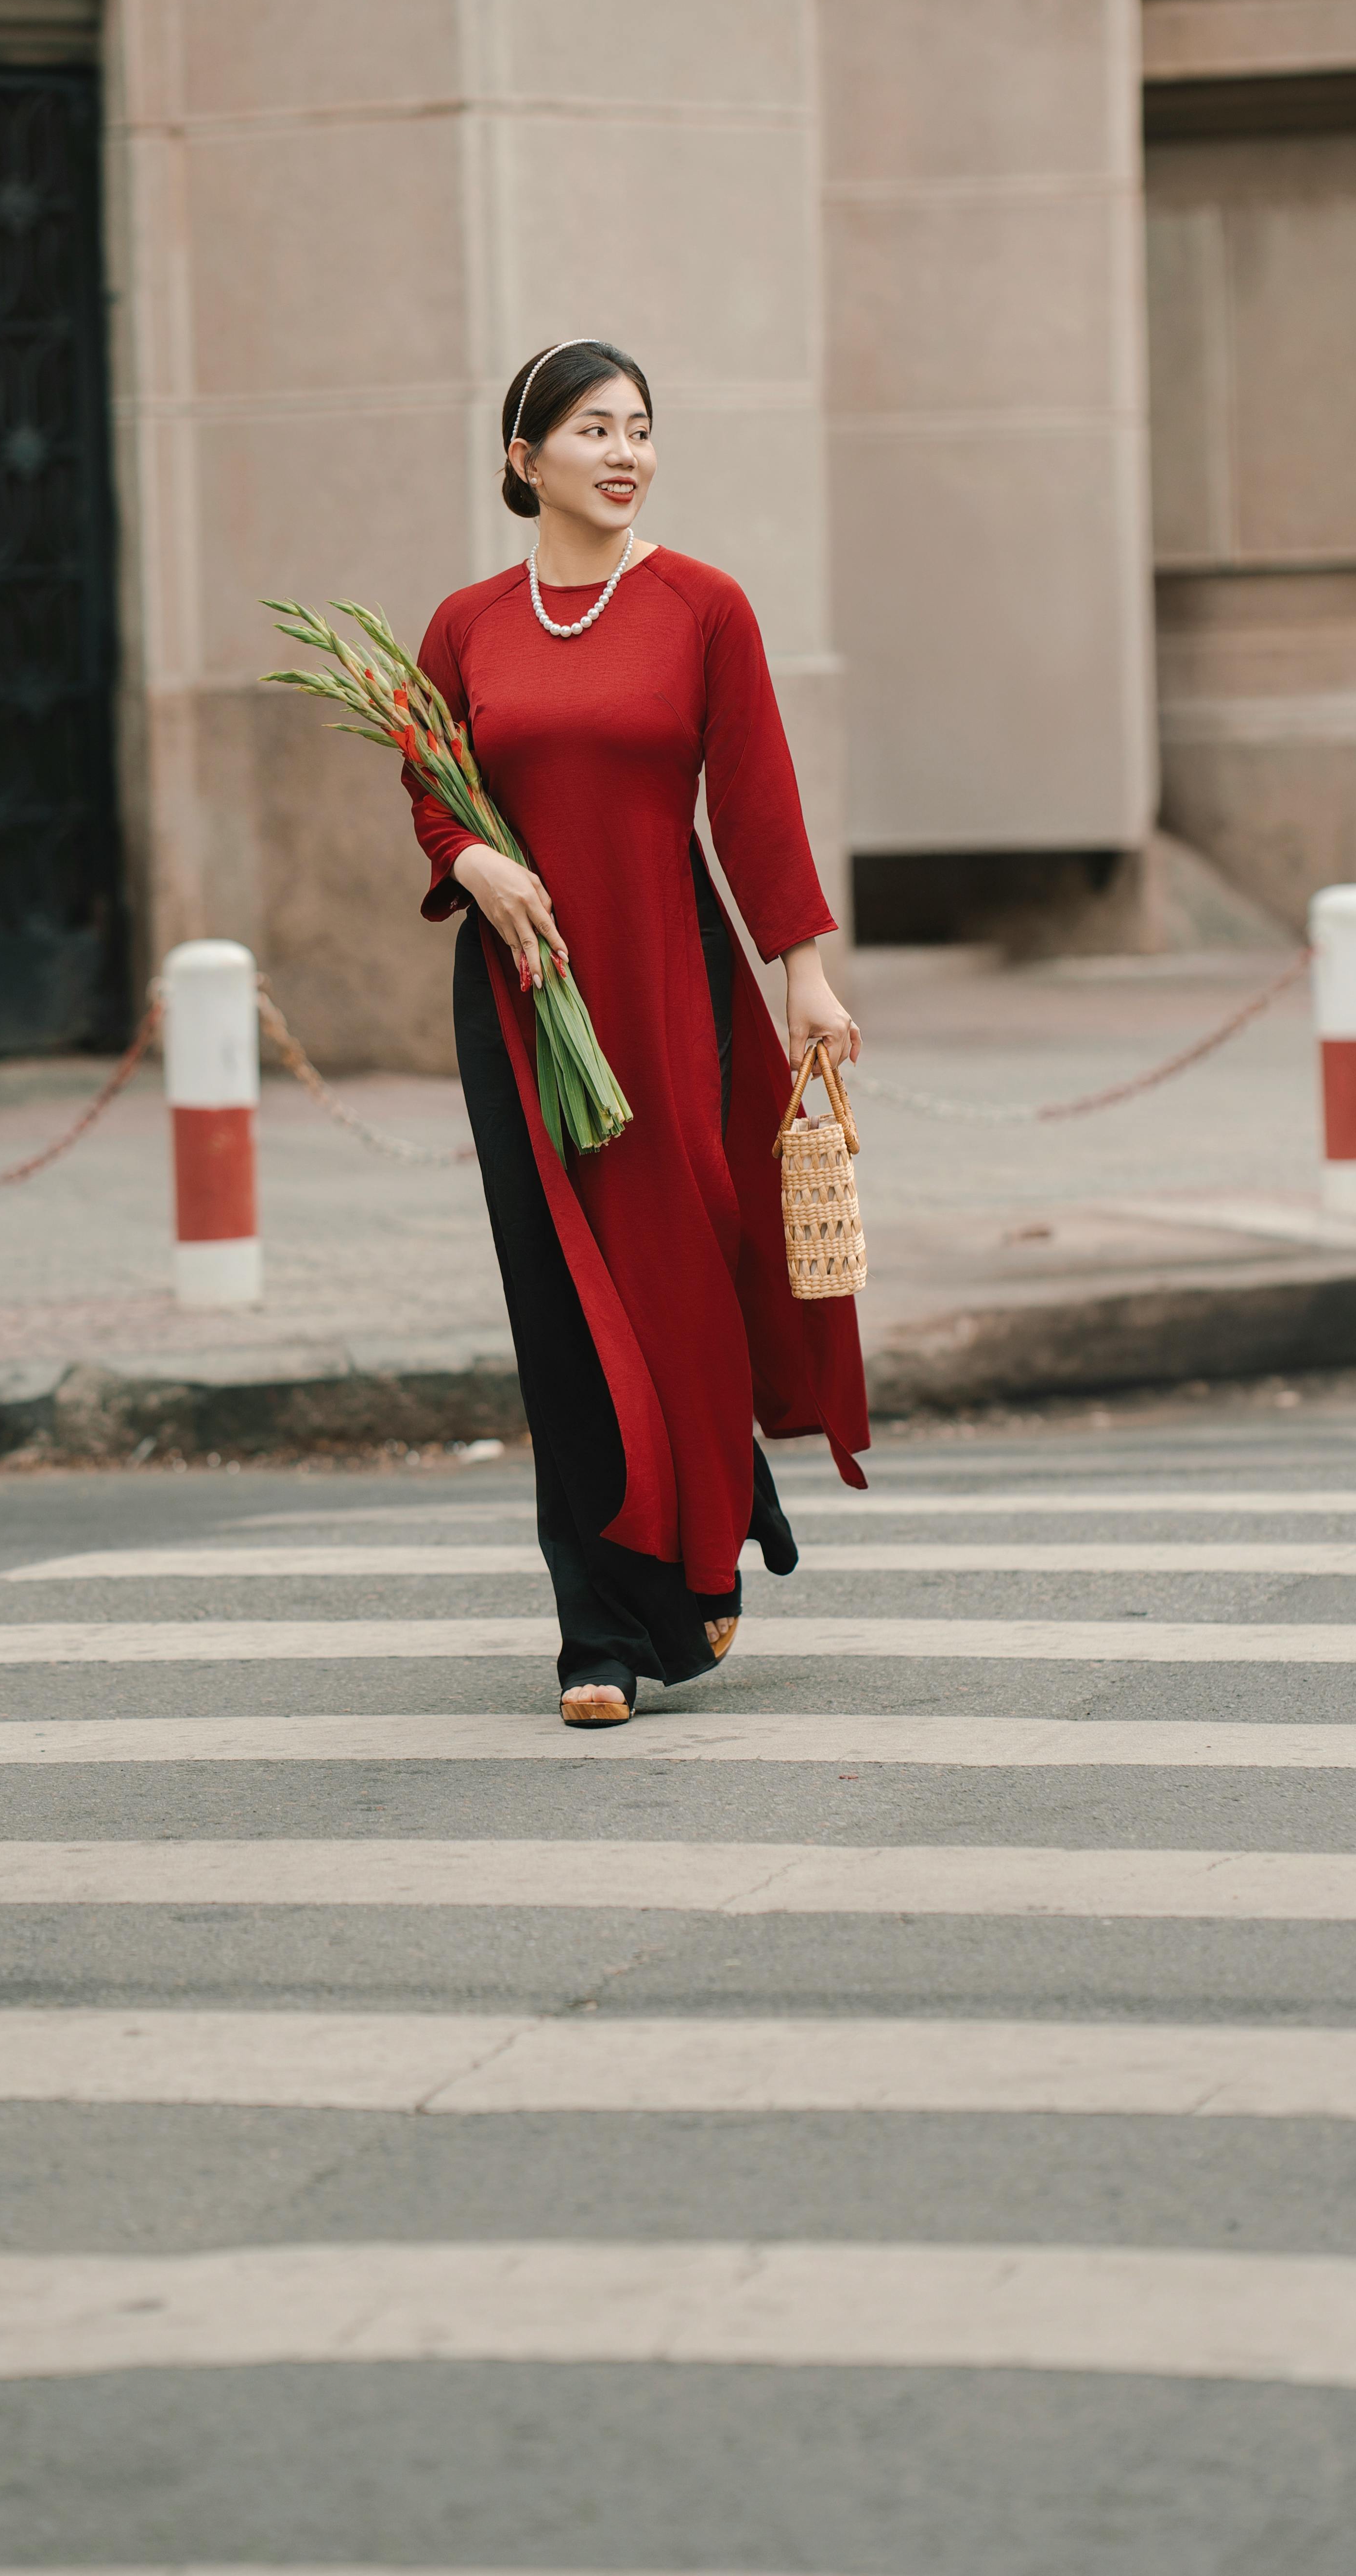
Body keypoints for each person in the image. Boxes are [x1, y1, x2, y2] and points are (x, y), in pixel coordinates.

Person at [405, 337, 870, 1728]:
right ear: (522, 457)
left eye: (641, 429)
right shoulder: (464, 624)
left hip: (669, 994)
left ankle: (715, 1492)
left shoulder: (701, 606)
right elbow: (437, 784)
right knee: (558, 1315)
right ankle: (595, 1632)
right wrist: (469, 865)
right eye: (593, 430)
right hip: (523, 1003)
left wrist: (807, 973)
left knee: (680, 1270)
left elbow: (760, 802)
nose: (623, 453)